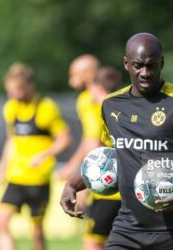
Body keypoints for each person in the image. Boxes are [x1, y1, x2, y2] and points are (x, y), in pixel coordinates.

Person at [60, 33, 173, 250]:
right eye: (138, 66)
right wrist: (73, 184)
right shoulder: (111, 106)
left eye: (152, 66)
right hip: (127, 228)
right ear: (126, 64)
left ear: (162, 63)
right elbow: (112, 160)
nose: (145, 73)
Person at [0, 63, 72, 250]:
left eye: (16, 90)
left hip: (39, 179)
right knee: (0, 222)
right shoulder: (10, 108)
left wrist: (44, 155)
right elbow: (11, 141)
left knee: (36, 230)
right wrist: (1, 170)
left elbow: (65, 138)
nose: (12, 95)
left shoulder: (46, 108)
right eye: (9, 91)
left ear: (29, 86)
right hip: (16, 178)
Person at [59, 55, 122, 250]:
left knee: (94, 242)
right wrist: (72, 164)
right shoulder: (121, 96)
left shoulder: (90, 100)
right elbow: (88, 139)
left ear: (88, 74)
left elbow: (94, 142)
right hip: (127, 177)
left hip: (108, 177)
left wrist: (86, 182)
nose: (71, 80)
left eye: (74, 74)